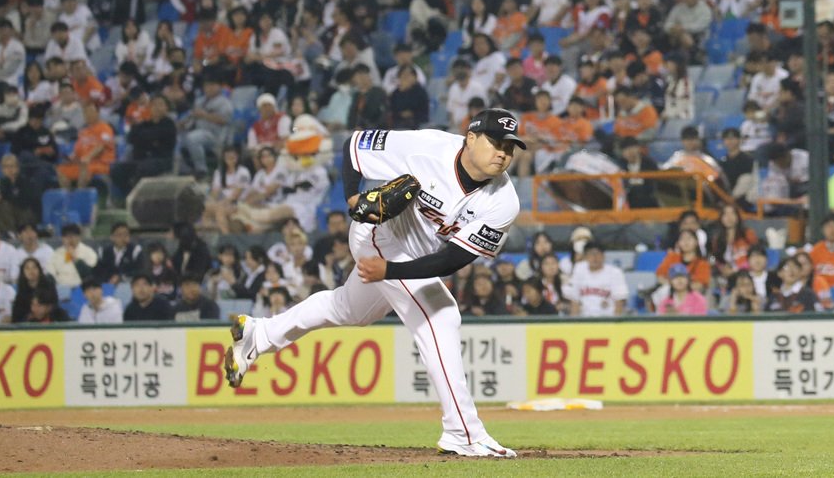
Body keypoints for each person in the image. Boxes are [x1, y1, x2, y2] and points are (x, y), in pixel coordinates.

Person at [223, 109, 527, 458]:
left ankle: (257, 336)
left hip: (403, 261)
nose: (502, 152)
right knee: (440, 316)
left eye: (510, 146)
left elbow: (453, 259)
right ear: (470, 138)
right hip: (377, 236)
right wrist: (353, 198)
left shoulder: (504, 202)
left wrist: (390, 272)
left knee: (347, 309)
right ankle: (464, 433)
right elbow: (354, 145)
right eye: (494, 142)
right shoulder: (424, 147)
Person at [570, 240, 629, 317]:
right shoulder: (579, 270)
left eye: (597, 254)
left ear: (603, 256)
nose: (594, 258)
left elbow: (619, 302)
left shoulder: (615, 273)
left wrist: (615, 325)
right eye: (591, 254)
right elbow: (575, 301)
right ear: (585, 257)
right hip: (584, 321)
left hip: (607, 320)